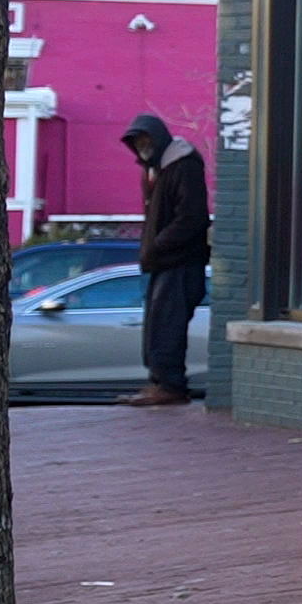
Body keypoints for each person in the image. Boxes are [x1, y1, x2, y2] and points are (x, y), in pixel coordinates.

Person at [120, 113, 209, 408]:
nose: (143, 148)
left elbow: (192, 217)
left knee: (168, 325)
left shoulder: (182, 167)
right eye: (138, 143)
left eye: (147, 141)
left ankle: (170, 385)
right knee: (158, 326)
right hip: (165, 261)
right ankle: (160, 381)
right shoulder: (157, 170)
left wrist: (158, 245)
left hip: (180, 262)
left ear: (159, 140)